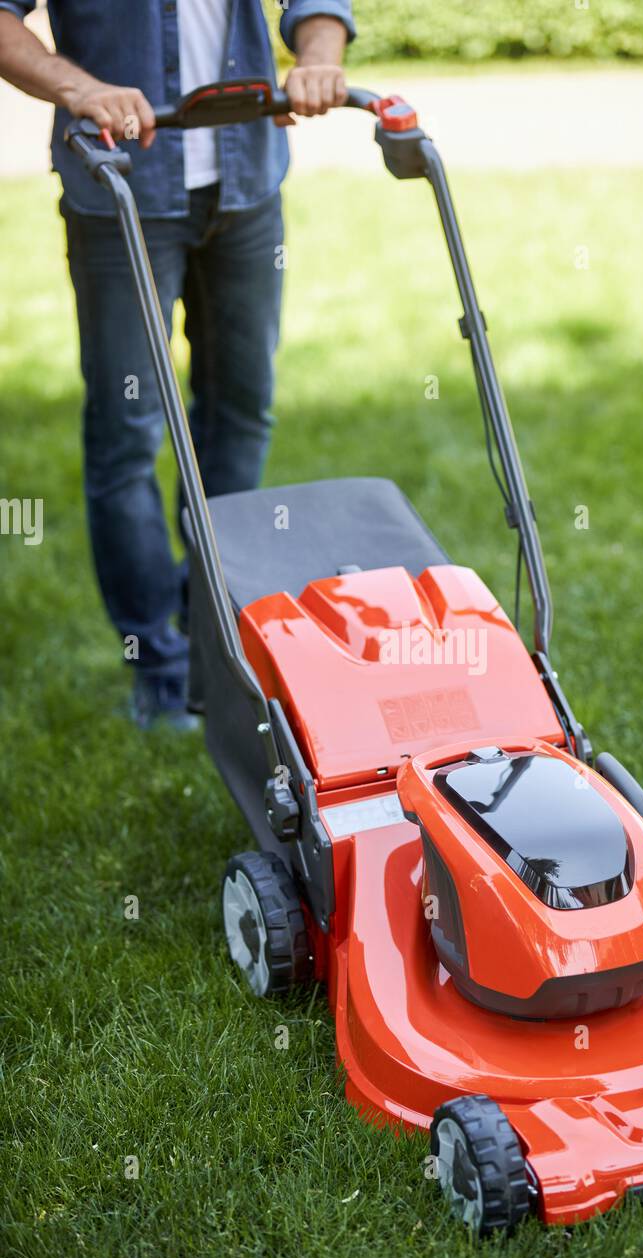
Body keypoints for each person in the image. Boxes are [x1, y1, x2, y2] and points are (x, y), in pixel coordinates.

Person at [0, 0, 355, 727]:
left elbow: (318, 4)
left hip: (246, 183)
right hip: (121, 186)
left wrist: (320, 55)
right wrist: (79, 89)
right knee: (128, 433)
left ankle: (214, 635)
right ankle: (157, 664)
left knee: (241, 409)